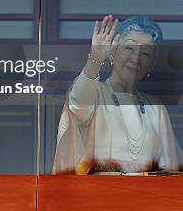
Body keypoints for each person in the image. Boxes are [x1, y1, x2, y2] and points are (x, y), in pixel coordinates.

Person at [53, 15, 183, 174]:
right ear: (113, 53)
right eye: (129, 48)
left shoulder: (155, 108)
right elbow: (77, 104)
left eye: (146, 53)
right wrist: (95, 59)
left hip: (147, 196)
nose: (136, 58)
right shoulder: (95, 92)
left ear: (151, 65)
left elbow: (172, 168)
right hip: (98, 195)